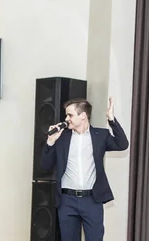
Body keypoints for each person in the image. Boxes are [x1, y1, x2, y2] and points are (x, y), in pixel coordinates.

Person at [41, 96, 129, 240]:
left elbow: (123, 144)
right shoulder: (61, 138)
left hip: (92, 200)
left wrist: (112, 120)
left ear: (83, 116)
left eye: (70, 115)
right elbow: (44, 166)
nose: (66, 118)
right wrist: (50, 142)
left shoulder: (100, 136)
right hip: (66, 200)